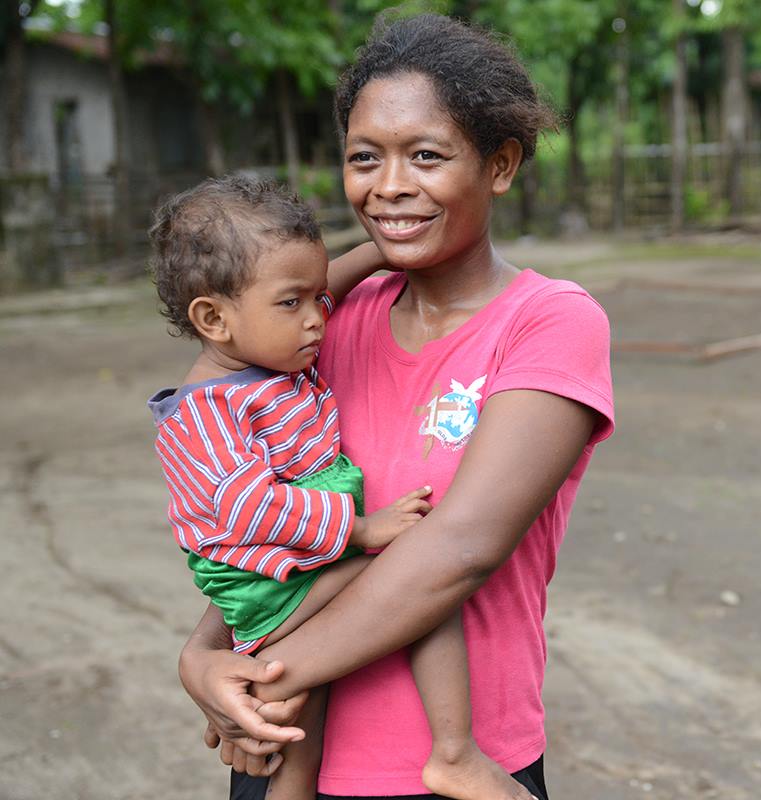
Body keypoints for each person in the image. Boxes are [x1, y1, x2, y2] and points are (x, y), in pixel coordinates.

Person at [177, 13, 614, 800]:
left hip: (448, 770)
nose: (389, 185)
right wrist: (204, 658)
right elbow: (261, 516)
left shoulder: (548, 323)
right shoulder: (321, 328)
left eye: (426, 156)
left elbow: (460, 548)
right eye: (364, 158)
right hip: (290, 749)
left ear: (500, 164)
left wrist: (267, 675)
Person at [148, 176, 538, 800]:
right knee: (416, 579)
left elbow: (318, 284)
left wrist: (385, 250)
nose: (316, 317)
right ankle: (455, 752)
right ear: (213, 319)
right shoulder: (206, 412)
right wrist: (361, 530)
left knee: (301, 728)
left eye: (318, 298)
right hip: (271, 587)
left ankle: (450, 752)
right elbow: (249, 507)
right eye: (293, 303)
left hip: (300, 565)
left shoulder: (268, 354)